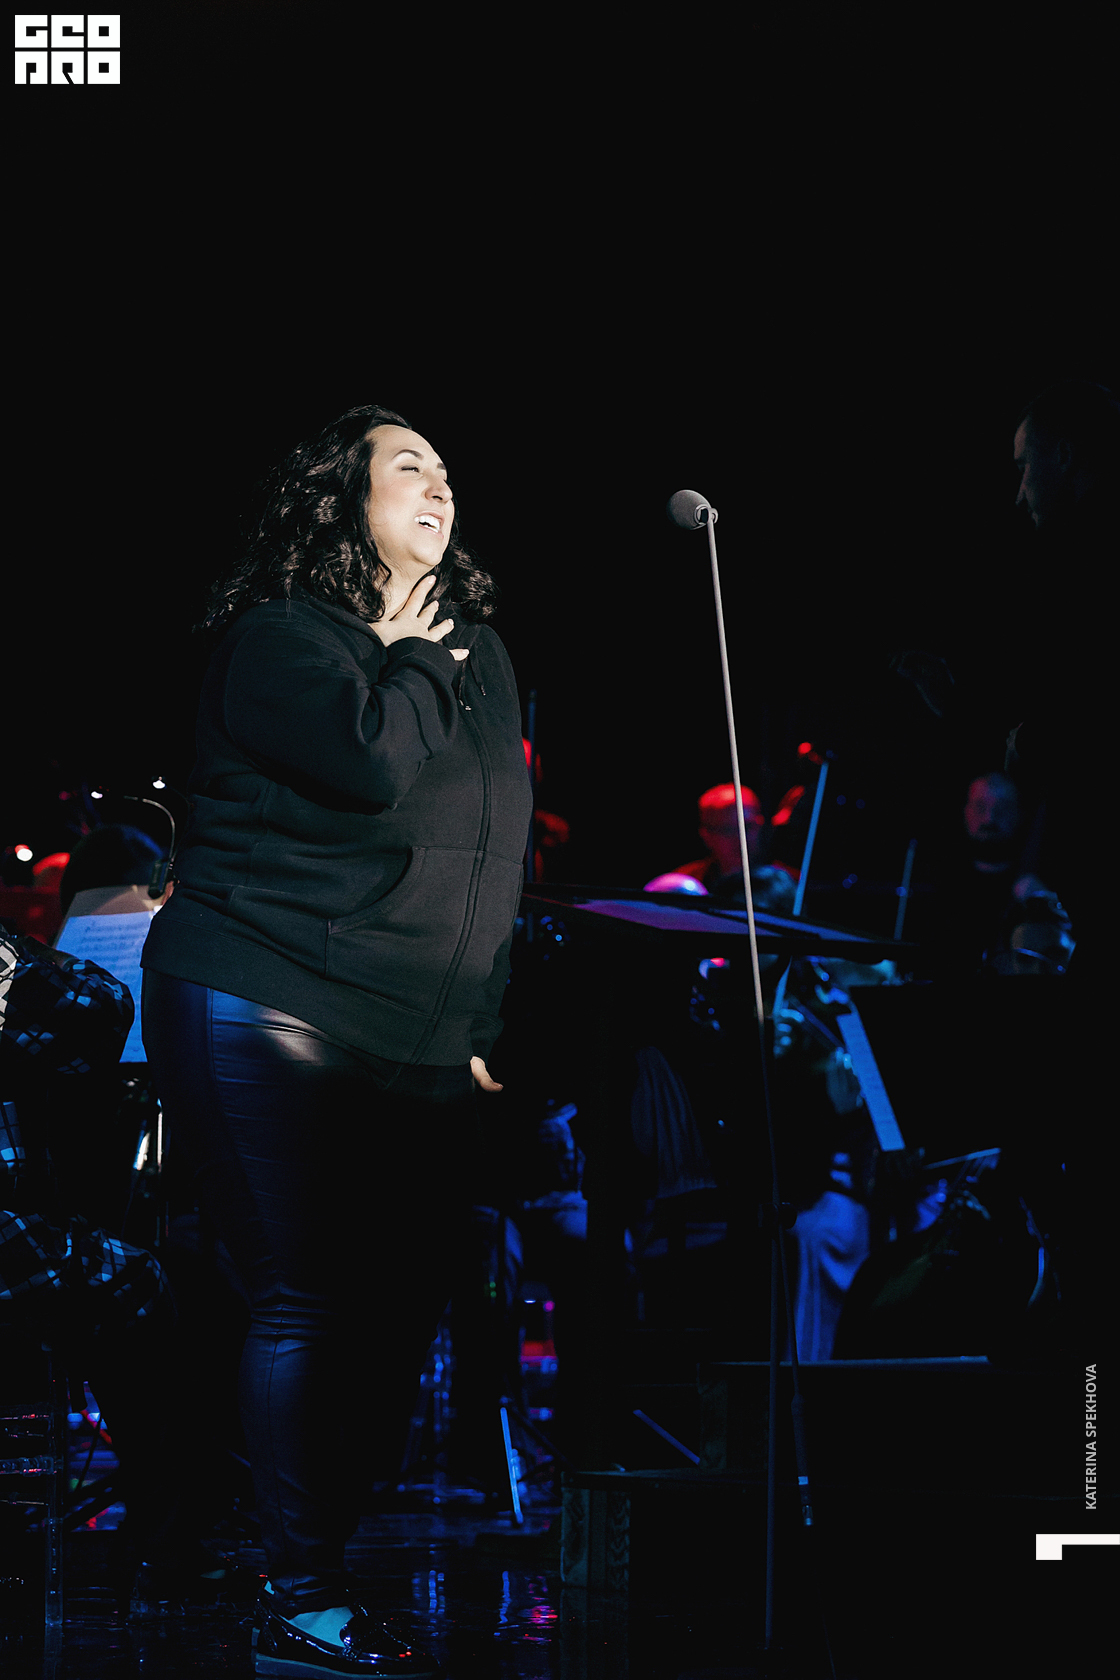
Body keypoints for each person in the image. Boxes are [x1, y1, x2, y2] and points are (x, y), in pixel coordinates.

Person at [140, 404, 532, 1679]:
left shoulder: (478, 653)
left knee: (405, 1309)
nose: (437, 484)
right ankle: (302, 1598)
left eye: (445, 469)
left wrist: (479, 1018)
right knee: (308, 1294)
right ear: (341, 505)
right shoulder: (278, 639)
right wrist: (409, 659)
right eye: (405, 466)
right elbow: (371, 766)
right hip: (268, 988)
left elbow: (491, 849)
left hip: (415, 1029)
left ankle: (295, 1558)